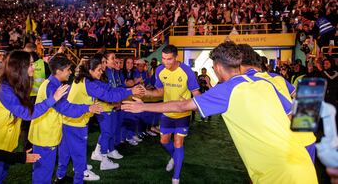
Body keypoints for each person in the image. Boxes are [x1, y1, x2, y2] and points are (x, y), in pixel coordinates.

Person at [123, 41, 318, 184]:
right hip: (302, 161)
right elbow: (308, 100)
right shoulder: (266, 80)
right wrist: (307, 138)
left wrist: (143, 106)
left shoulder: (227, 89)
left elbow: (182, 106)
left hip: (281, 174)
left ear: (217, 67)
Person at [0, 51, 69, 183]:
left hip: (5, 144)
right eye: (31, 64)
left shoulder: (14, 85)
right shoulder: (6, 89)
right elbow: (27, 114)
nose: (35, 67)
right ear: (20, 67)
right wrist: (53, 99)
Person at [57, 54, 144, 180]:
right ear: (90, 70)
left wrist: (128, 90)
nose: (101, 71)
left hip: (68, 120)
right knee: (80, 153)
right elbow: (109, 97)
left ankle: (60, 176)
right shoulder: (89, 83)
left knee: (65, 152)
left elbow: (109, 90)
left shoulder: (85, 80)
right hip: (76, 123)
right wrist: (130, 91)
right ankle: (81, 173)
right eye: (99, 69)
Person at [28, 53, 103, 184]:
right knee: (43, 173)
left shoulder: (53, 83)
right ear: (59, 71)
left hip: (46, 135)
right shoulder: (51, 87)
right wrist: (88, 108)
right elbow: (66, 109)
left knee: (45, 170)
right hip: (44, 137)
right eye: (68, 69)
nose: (70, 72)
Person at [142, 45, 200, 184]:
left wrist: (189, 102)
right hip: (167, 113)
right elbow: (160, 92)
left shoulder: (187, 72)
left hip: (182, 114)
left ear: (176, 58)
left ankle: (176, 178)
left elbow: (197, 95)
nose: (166, 62)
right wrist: (147, 93)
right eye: (163, 58)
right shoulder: (160, 70)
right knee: (163, 141)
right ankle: (175, 157)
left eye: (169, 59)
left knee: (178, 142)